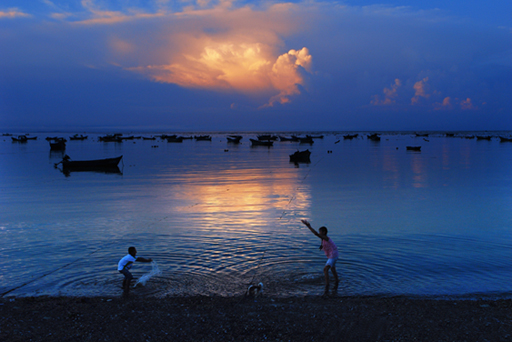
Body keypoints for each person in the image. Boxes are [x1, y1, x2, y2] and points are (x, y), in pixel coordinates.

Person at [301, 219, 339, 294]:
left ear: (324, 232)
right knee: (333, 269)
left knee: (325, 269)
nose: (319, 233)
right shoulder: (323, 239)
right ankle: (337, 281)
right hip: (334, 255)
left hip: (333, 256)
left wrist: (308, 226)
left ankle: (327, 285)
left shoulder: (326, 238)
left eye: (320, 232)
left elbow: (315, 234)